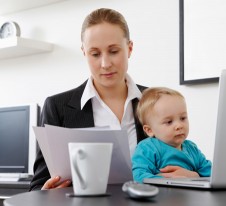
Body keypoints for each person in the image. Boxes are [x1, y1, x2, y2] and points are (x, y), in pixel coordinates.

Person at [29, 8, 148, 191]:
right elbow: (38, 187)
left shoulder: (155, 101)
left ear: (129, 48)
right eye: (95, 54)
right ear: (84, 52)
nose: (105, 63)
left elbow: (183, 157)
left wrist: (191, 175)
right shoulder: (57, 107)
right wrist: (45, 194)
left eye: (114, 51)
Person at [132, 87, 212, 183]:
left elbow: (212, 173)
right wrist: (169, 181)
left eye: (183, 118)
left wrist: (195, 176)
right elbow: (138, 176)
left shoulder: (192, 148)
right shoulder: (147, 148)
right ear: (149, 130)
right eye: (169, 122)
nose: (179, 125)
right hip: (162, 196)